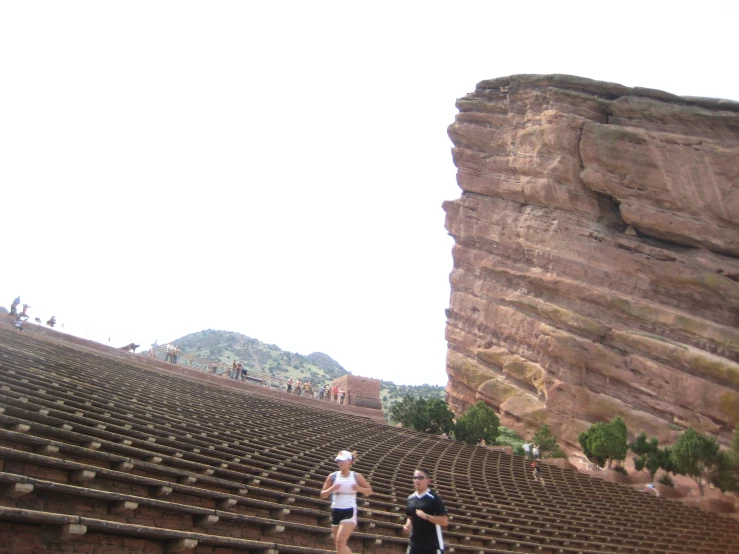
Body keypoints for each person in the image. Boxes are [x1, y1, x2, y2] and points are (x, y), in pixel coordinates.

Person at [320, 450, 373, 554]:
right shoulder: (332, 476)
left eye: (343, 460)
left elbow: (369, 491)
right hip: (336, 510)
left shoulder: (356, 476)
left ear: (349, 461)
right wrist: (332, 488)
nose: (340, 462)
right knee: (339, 545)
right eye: (339, 460)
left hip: (349, 510)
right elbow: (323, 495)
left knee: (340, 541)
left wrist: (358, 488)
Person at [403, 468, 448, 554]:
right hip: (415, 545)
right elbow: (410, 516)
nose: (417, 480)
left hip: (433, 546)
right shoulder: (410, 498)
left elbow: (444, 521)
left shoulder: (434, 498)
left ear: (428, 480)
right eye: (415, 478)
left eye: (420, 478)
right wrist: (407, 525)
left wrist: (427, 516)